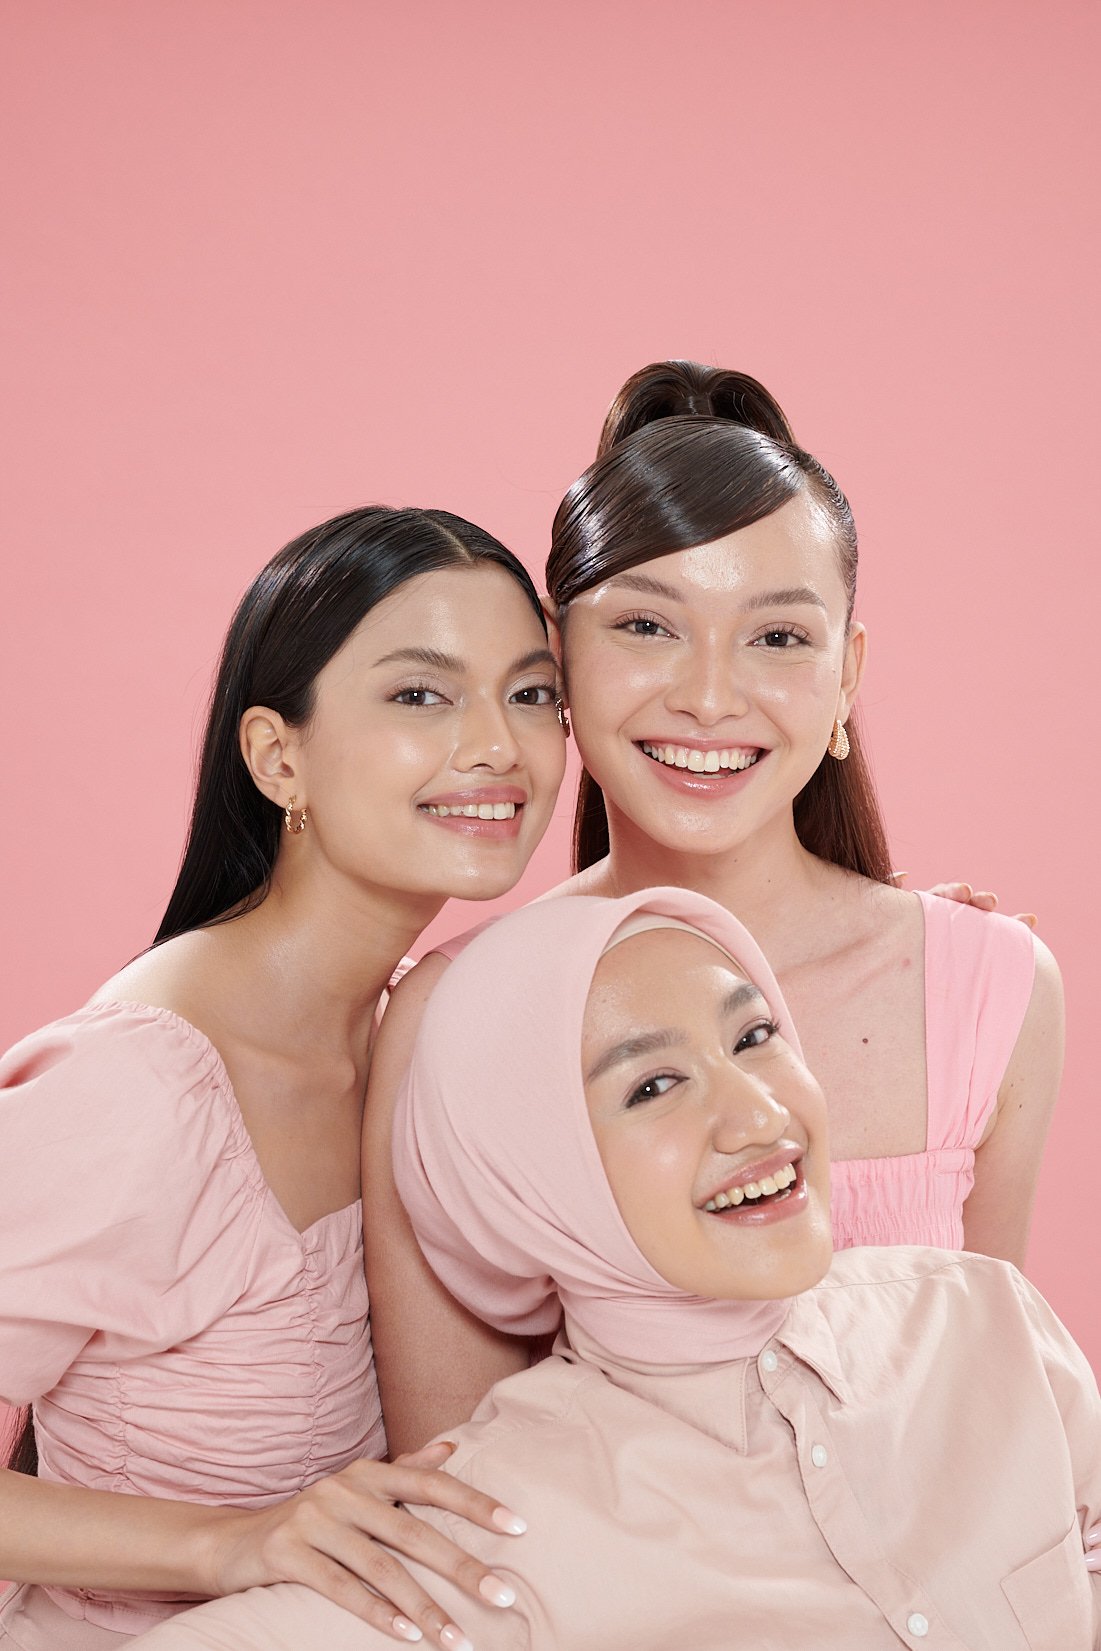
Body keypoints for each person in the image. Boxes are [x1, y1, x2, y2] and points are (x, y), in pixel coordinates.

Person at [364, 364, 1064, 1456]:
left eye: (778, 637)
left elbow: (988, 1414)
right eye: (647, 625)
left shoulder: (990, 988)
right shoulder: (455, 1015)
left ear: (847, 676)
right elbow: (451, 1485)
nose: (707, 696)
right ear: (557, 660)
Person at [127, 888, 1100, 1651]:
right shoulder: (486, 1528)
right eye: (653, 1084)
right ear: (535, 1181)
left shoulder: (983, 1317)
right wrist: (211, 1546)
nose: (760, 1115)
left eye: (755, 1036)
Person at [0, 506, 567, 1650]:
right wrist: (231, 1541)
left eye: (531, 692)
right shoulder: (136, 1089)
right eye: (421, 693)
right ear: (277, 756)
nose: (498, 746)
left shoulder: (425, 1032)